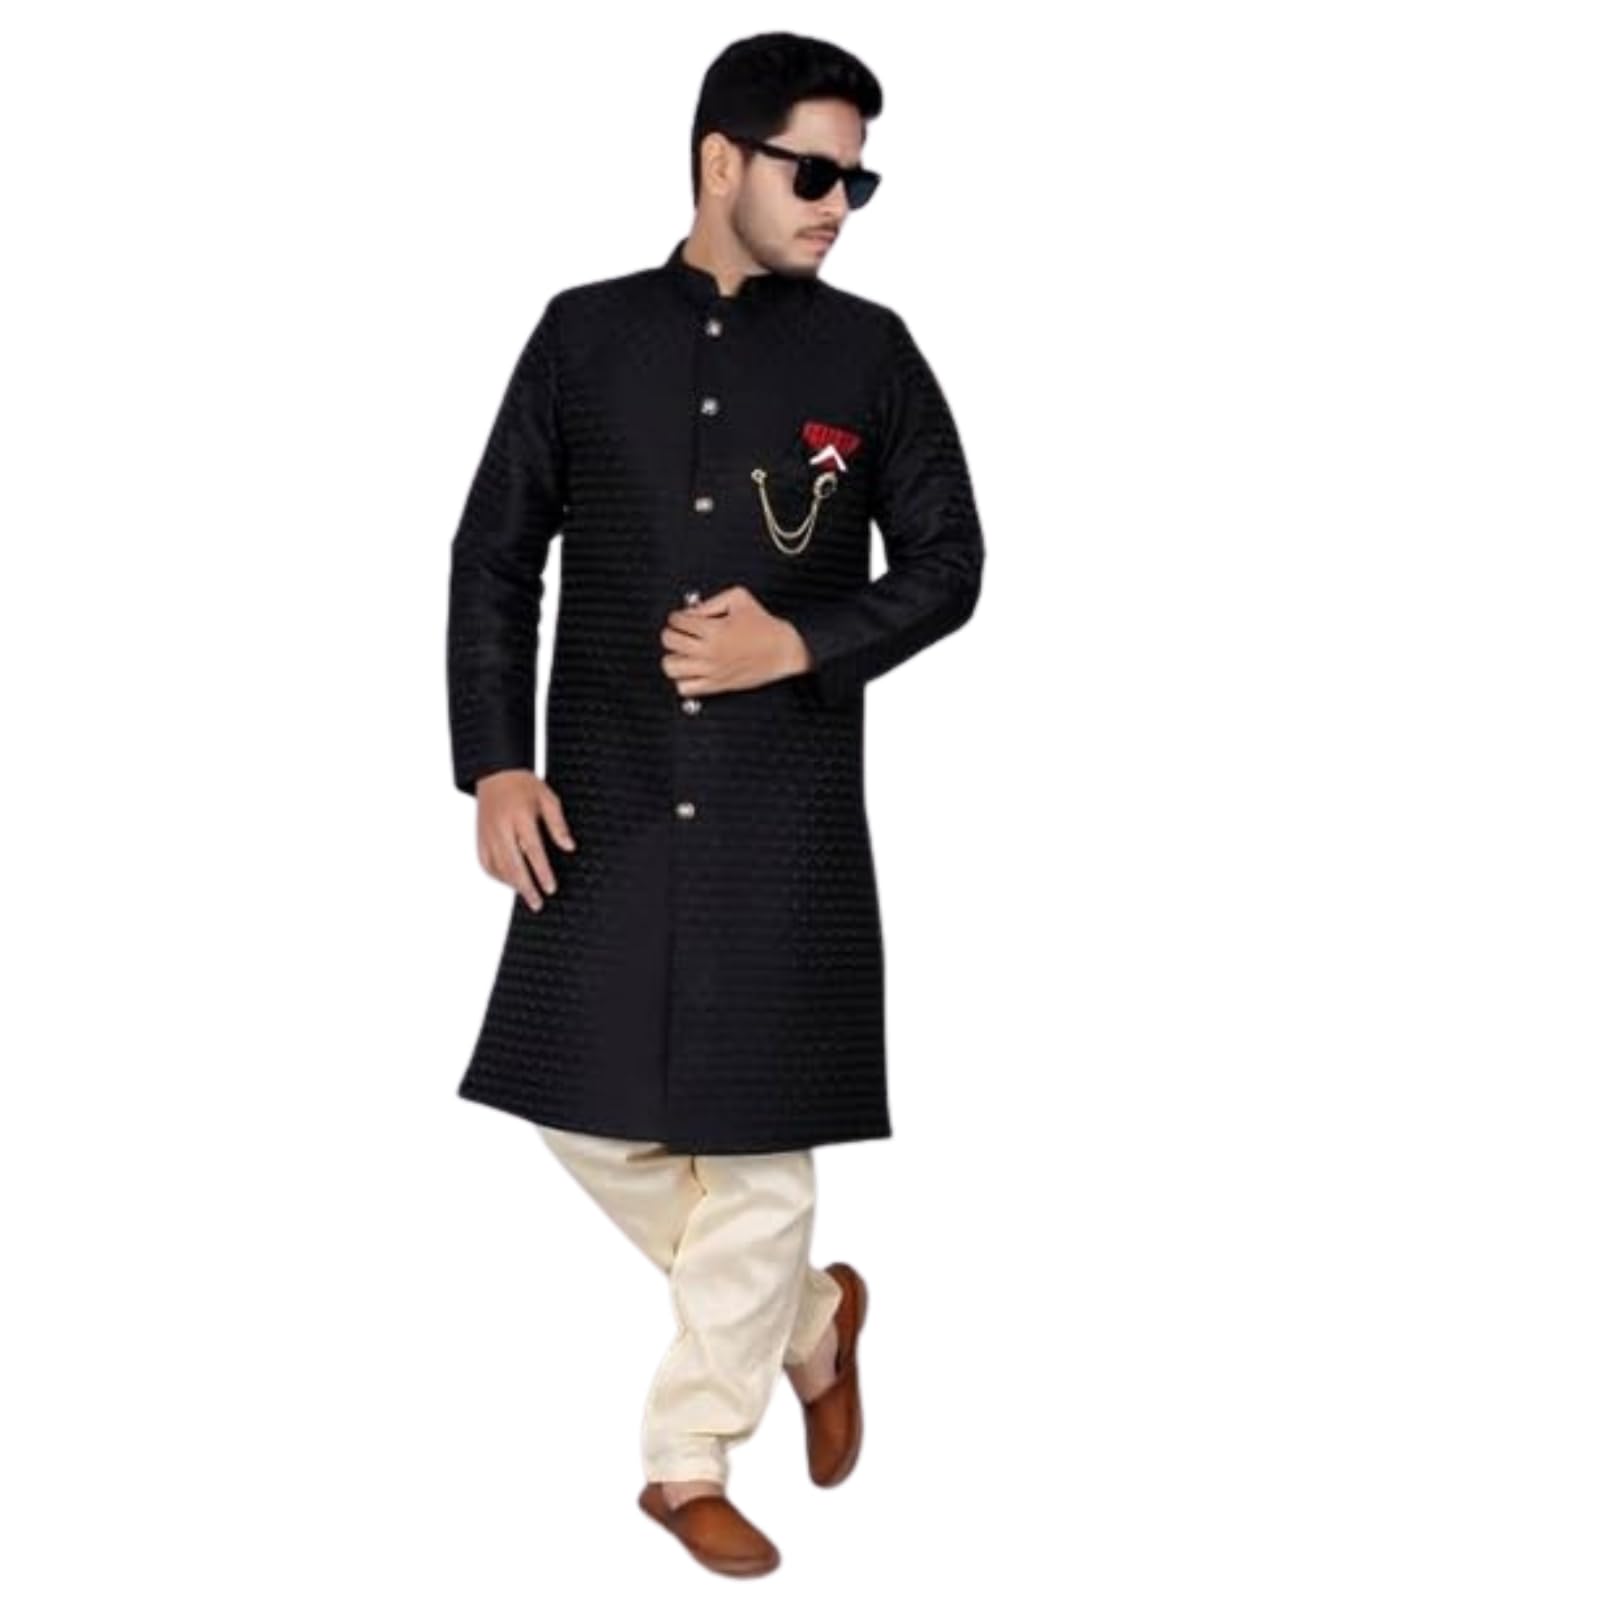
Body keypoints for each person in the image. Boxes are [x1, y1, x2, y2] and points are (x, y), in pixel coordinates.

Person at [445, 31, 984, 1577]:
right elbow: (497, 555)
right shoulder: (583, 335)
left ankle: (685, 1461)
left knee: (755, 1155)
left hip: (779, 821)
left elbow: (950, 562)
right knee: (575, 1103)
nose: (838, 204)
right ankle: (809, 1320)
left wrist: (798, 644)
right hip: (604, 796)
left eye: (859, 180)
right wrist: (495, 761)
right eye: (814, 172)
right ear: (720, 161)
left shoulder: (871, 355)